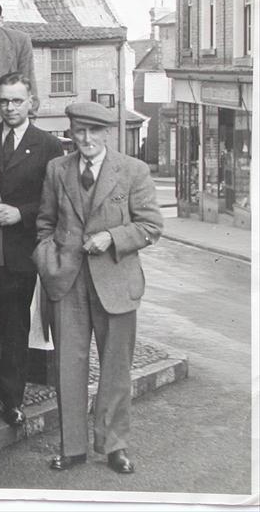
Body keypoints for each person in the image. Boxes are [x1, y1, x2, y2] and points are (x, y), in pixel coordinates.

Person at [32, 101, 163, 474]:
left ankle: (113, 446)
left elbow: (151, 226)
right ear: (71, 132)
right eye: (79, 131)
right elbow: (45, 222)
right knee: (67, 368)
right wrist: (48, 260)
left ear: (107, 133)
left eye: (93, 131)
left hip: (116, 281)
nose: (86, 139)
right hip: (68, 281)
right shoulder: (57, 169)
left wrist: (111, 236)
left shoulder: (133, 171)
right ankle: (71, 447)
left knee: (115, 368)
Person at [0, 72, 63, 428]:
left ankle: (12, 397)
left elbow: (52, 200)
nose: (10, 107)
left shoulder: (48, 146)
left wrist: (20, 213)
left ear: (31, 103)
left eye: (17, 101)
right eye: (4, 101)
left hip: (21, 248)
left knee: (14, 322)